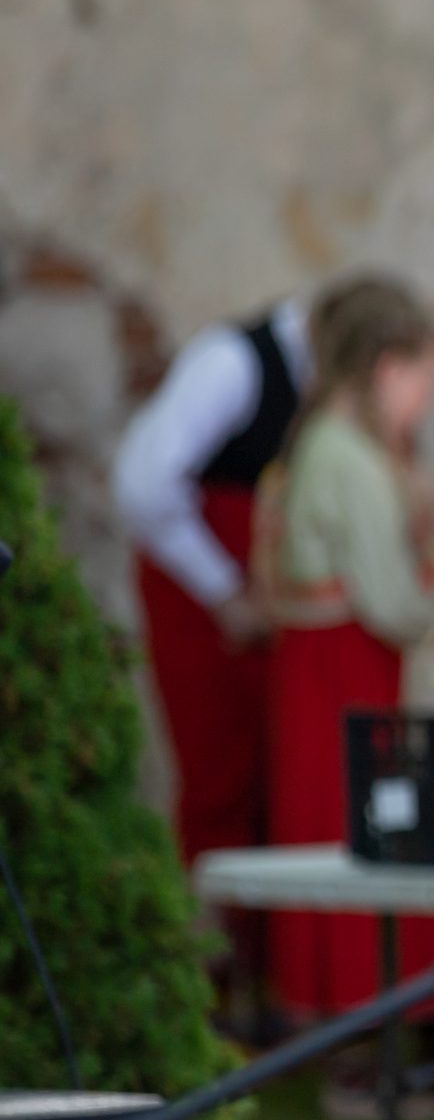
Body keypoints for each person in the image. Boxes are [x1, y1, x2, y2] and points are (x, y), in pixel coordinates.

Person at [257, 274, 434, 1022]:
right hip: (345, 675)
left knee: (336, 827)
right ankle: (361, 1017)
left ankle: (341, 1014)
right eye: (423, 382)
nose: (425, 403)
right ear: (386, 368)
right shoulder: (347, 457)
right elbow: (393, 601)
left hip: (327, 670)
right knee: (353, 832)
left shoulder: (323, 442)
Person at [114, 288, 316, 865]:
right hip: (203, 612)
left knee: (266, 785)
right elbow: (144, 484)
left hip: (256, 615)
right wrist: (223, 589)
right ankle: (216, 921)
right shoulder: (233, 362)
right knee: (219, 783)